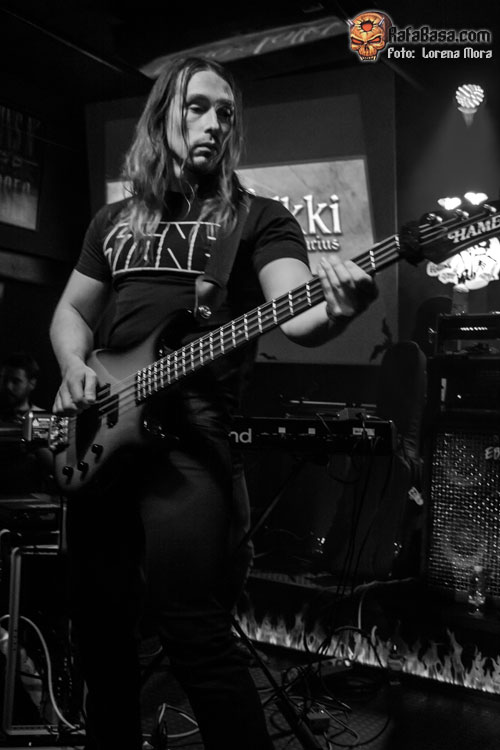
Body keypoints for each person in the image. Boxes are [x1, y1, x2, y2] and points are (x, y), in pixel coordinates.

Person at [49, 56, 378, 750]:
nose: (214, 123)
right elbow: (72, 313)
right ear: (162, 115)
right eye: (198, 106)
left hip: (191, 447)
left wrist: (340, 310)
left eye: (225, 113)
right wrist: (75, 366)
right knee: (101, 637)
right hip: (103, 438)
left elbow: (298, 317)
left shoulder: (258, 218)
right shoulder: (113, 221)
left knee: (194, 633)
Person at [0, 352, 52, 494]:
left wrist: (31, 436)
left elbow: (55, 467)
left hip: (29, 495)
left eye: (16, 381)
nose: (8, 386)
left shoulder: (43, 418)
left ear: (32, 383)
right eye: (4, 379)